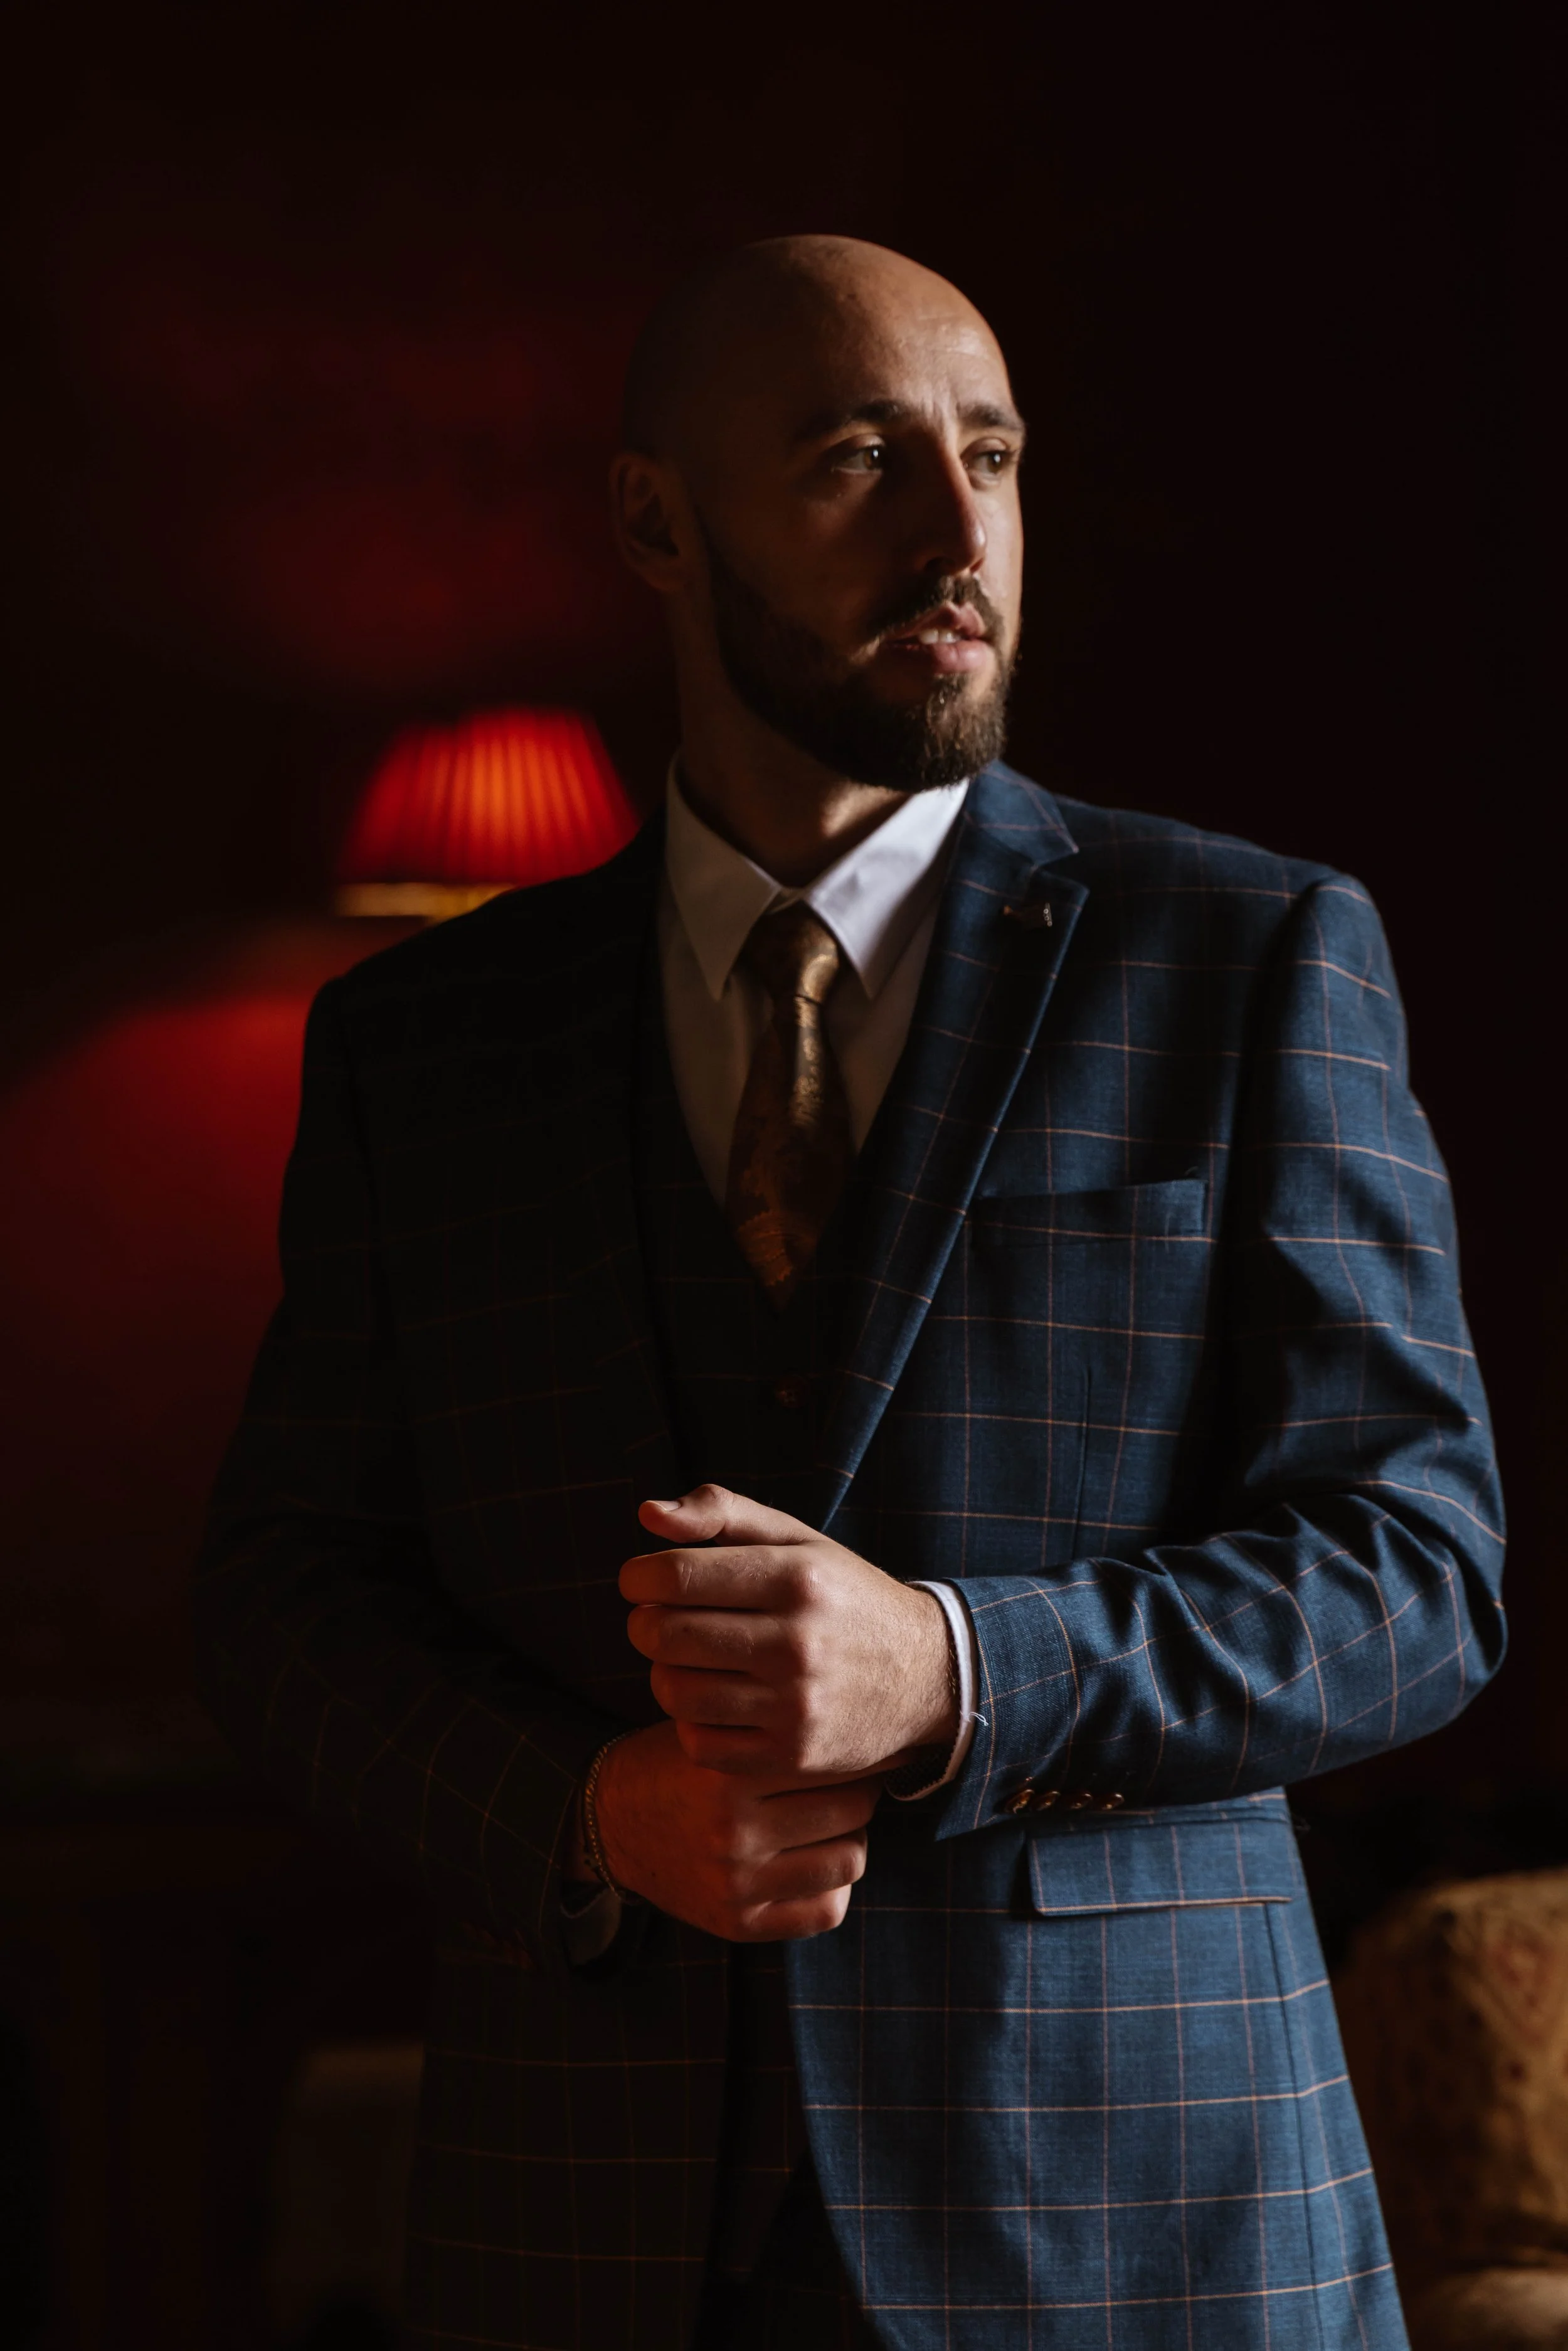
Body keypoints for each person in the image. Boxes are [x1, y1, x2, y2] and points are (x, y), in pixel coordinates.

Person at [194, 236, 1505, 2350]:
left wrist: (956, 1669)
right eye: (852, 460)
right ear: (654, 521)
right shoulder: (420, 1047)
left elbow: (1416, 1569)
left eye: (989, 456)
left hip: (1132, 2227)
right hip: (584, 2233)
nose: (956, 534)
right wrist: (584, 1812)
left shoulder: (1243, 955)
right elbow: (287, 1596)